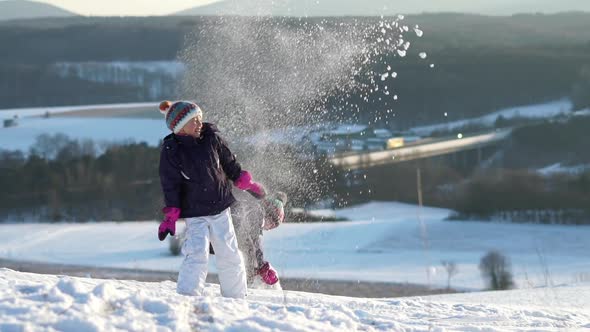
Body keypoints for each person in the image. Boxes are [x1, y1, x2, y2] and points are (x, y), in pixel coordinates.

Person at [156, 100, 266, 299]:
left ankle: (236, 296)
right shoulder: (172, 151)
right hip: (195, 213)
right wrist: (171, 215)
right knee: (197, 254)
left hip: (220, 207)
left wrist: (246, 183)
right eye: (194, 121)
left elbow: (230, 163)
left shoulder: (211, 138)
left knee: (229, 253)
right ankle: (188, 296)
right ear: (180, 128)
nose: (199, 123)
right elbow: (170, 184)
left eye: (200, 118)